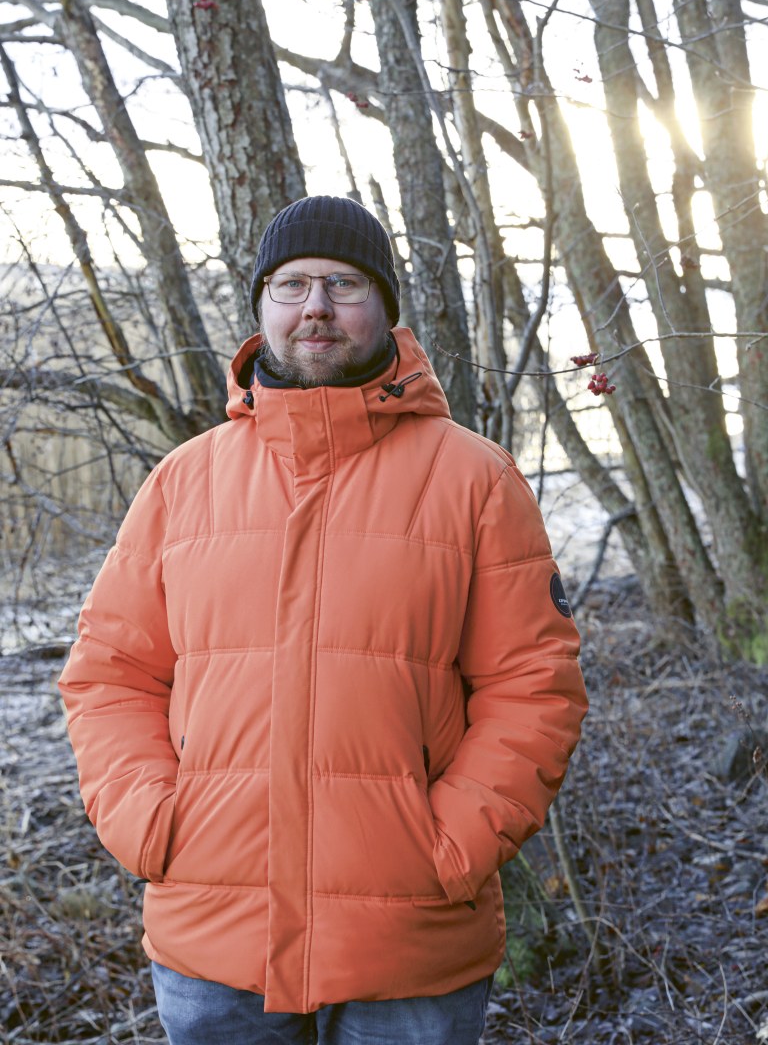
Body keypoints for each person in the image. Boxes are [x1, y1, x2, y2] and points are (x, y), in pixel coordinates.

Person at [59, 196, 588, 1045]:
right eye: (292, 284)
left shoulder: (474, 482)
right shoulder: (183, 484)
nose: (315, 305)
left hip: (408, 945)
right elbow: (109, 675)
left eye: (343, 283)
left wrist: (448, 847)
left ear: (383, 308)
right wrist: (152, 821)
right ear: (262, 306)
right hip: (214, 938)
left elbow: (534, 688)